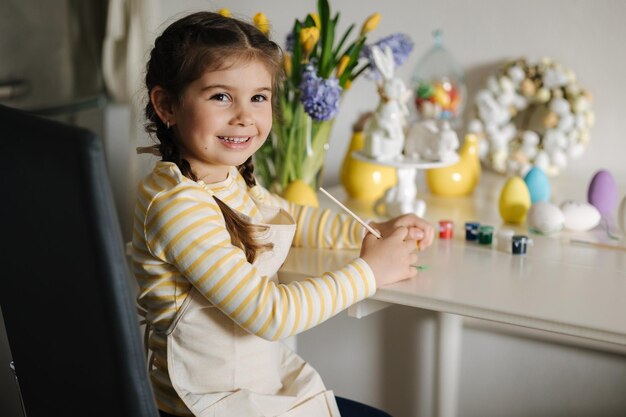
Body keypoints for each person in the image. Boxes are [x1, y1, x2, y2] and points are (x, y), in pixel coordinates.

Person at [132, 11, 434, 417]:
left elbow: (291, 216)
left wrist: (370, 229)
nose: (244, 116)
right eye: (221, 96)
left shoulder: (226, 177)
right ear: (167, 104)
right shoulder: (177, 205)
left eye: (259, 97)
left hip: (254, 386)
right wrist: (369, 272)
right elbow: (272, 314)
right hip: (210, 406)